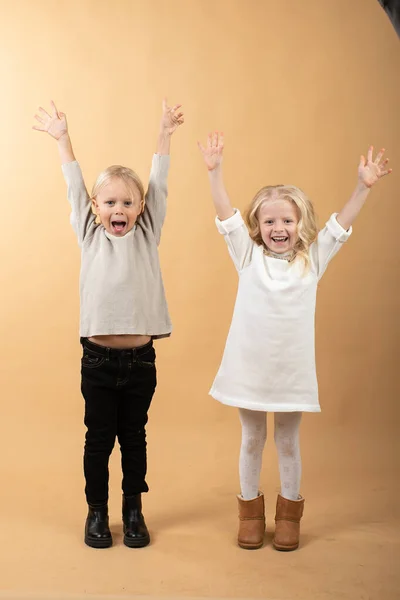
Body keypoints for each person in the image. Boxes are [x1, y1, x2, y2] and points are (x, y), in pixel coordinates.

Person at [198, 132, 392, 551]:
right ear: (257, 226)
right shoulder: (246, 256)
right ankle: (249, 512)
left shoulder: (313, 259)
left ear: (301, 224)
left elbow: (342, 224)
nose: (278, 228)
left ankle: (289, 517)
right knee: (251, 439)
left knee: (287, 441)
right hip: (249, 366)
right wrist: (215, 173)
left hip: (290, 371)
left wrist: (363, 186)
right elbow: (225, 214)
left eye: (287, 220)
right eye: (269, 221)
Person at [33, 99, 184, 548]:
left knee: (134, 439)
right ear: (96, 206)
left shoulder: (147, 231)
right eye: (110, 202)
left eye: (128, 202)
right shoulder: (89, 232)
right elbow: (72, 186)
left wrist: (164, 132)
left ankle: (133, 510)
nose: (119, 209)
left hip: (140, 361)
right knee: (98, 440)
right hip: (97, 361)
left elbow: (160, 182)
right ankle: (96, 512)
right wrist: (62, 139)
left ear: (140, 207)